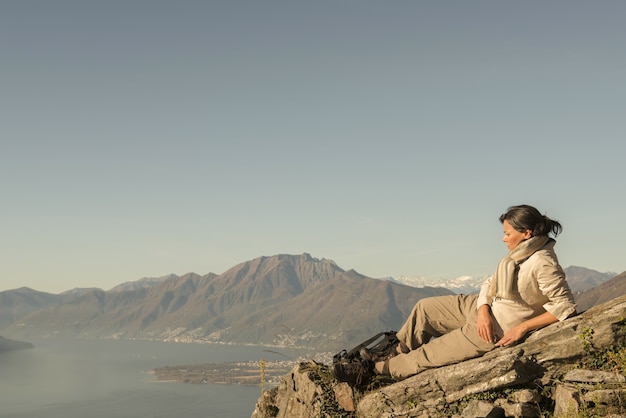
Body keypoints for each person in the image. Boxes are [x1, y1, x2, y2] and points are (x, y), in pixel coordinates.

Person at [333, 204, 577, 385]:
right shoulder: (519, 254)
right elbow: (489, 284)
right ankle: (395, 350)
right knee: (425, 308)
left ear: (527, 233)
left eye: (508, 234)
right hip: (483, 310)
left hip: (496, 329)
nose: (503, 239)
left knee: (427, 354)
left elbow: (565, 307)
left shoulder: (542, 262)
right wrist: (483, 310)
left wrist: (522, 329)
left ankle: (374, 370)